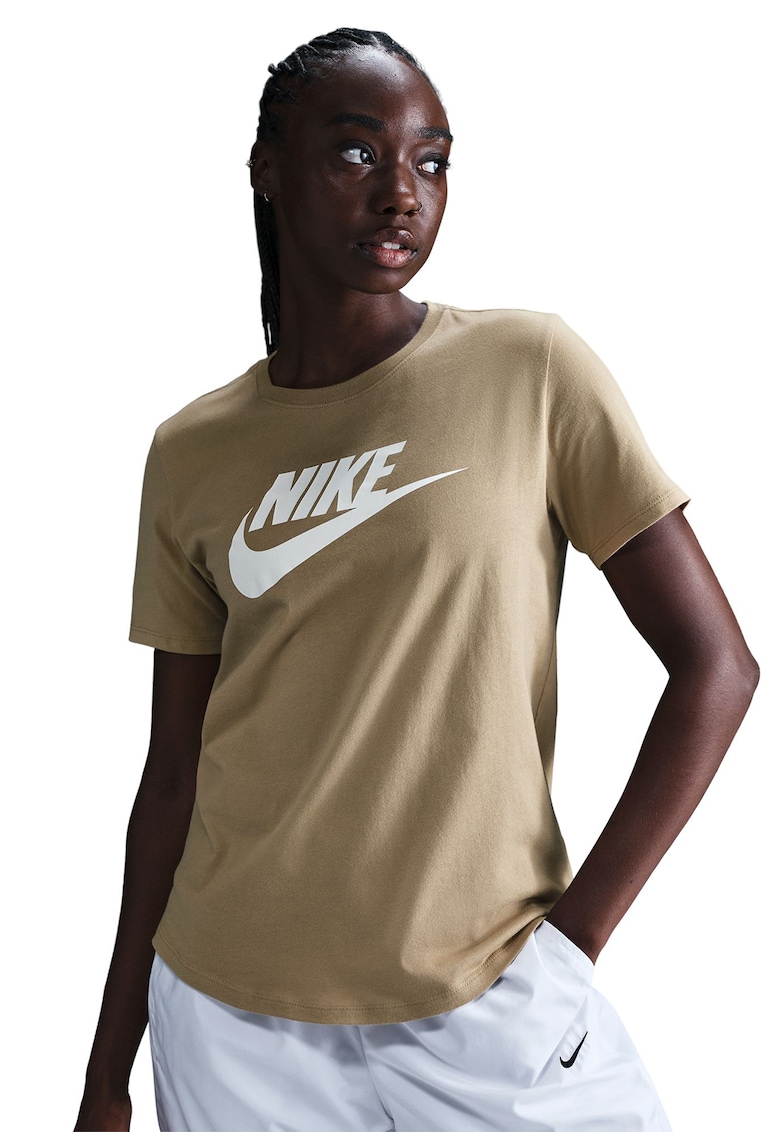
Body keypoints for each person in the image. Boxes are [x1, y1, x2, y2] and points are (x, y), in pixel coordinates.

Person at [74, 27, 759, 1132]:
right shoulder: (192, 449)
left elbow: (718, 667)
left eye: (431, 161)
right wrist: (108, 1071)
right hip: (231, 1023)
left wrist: (574, 946)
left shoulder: (531, 370)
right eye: (357, 152)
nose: (403, 192)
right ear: (266, 168)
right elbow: (172, 778)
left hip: (494, 1003)